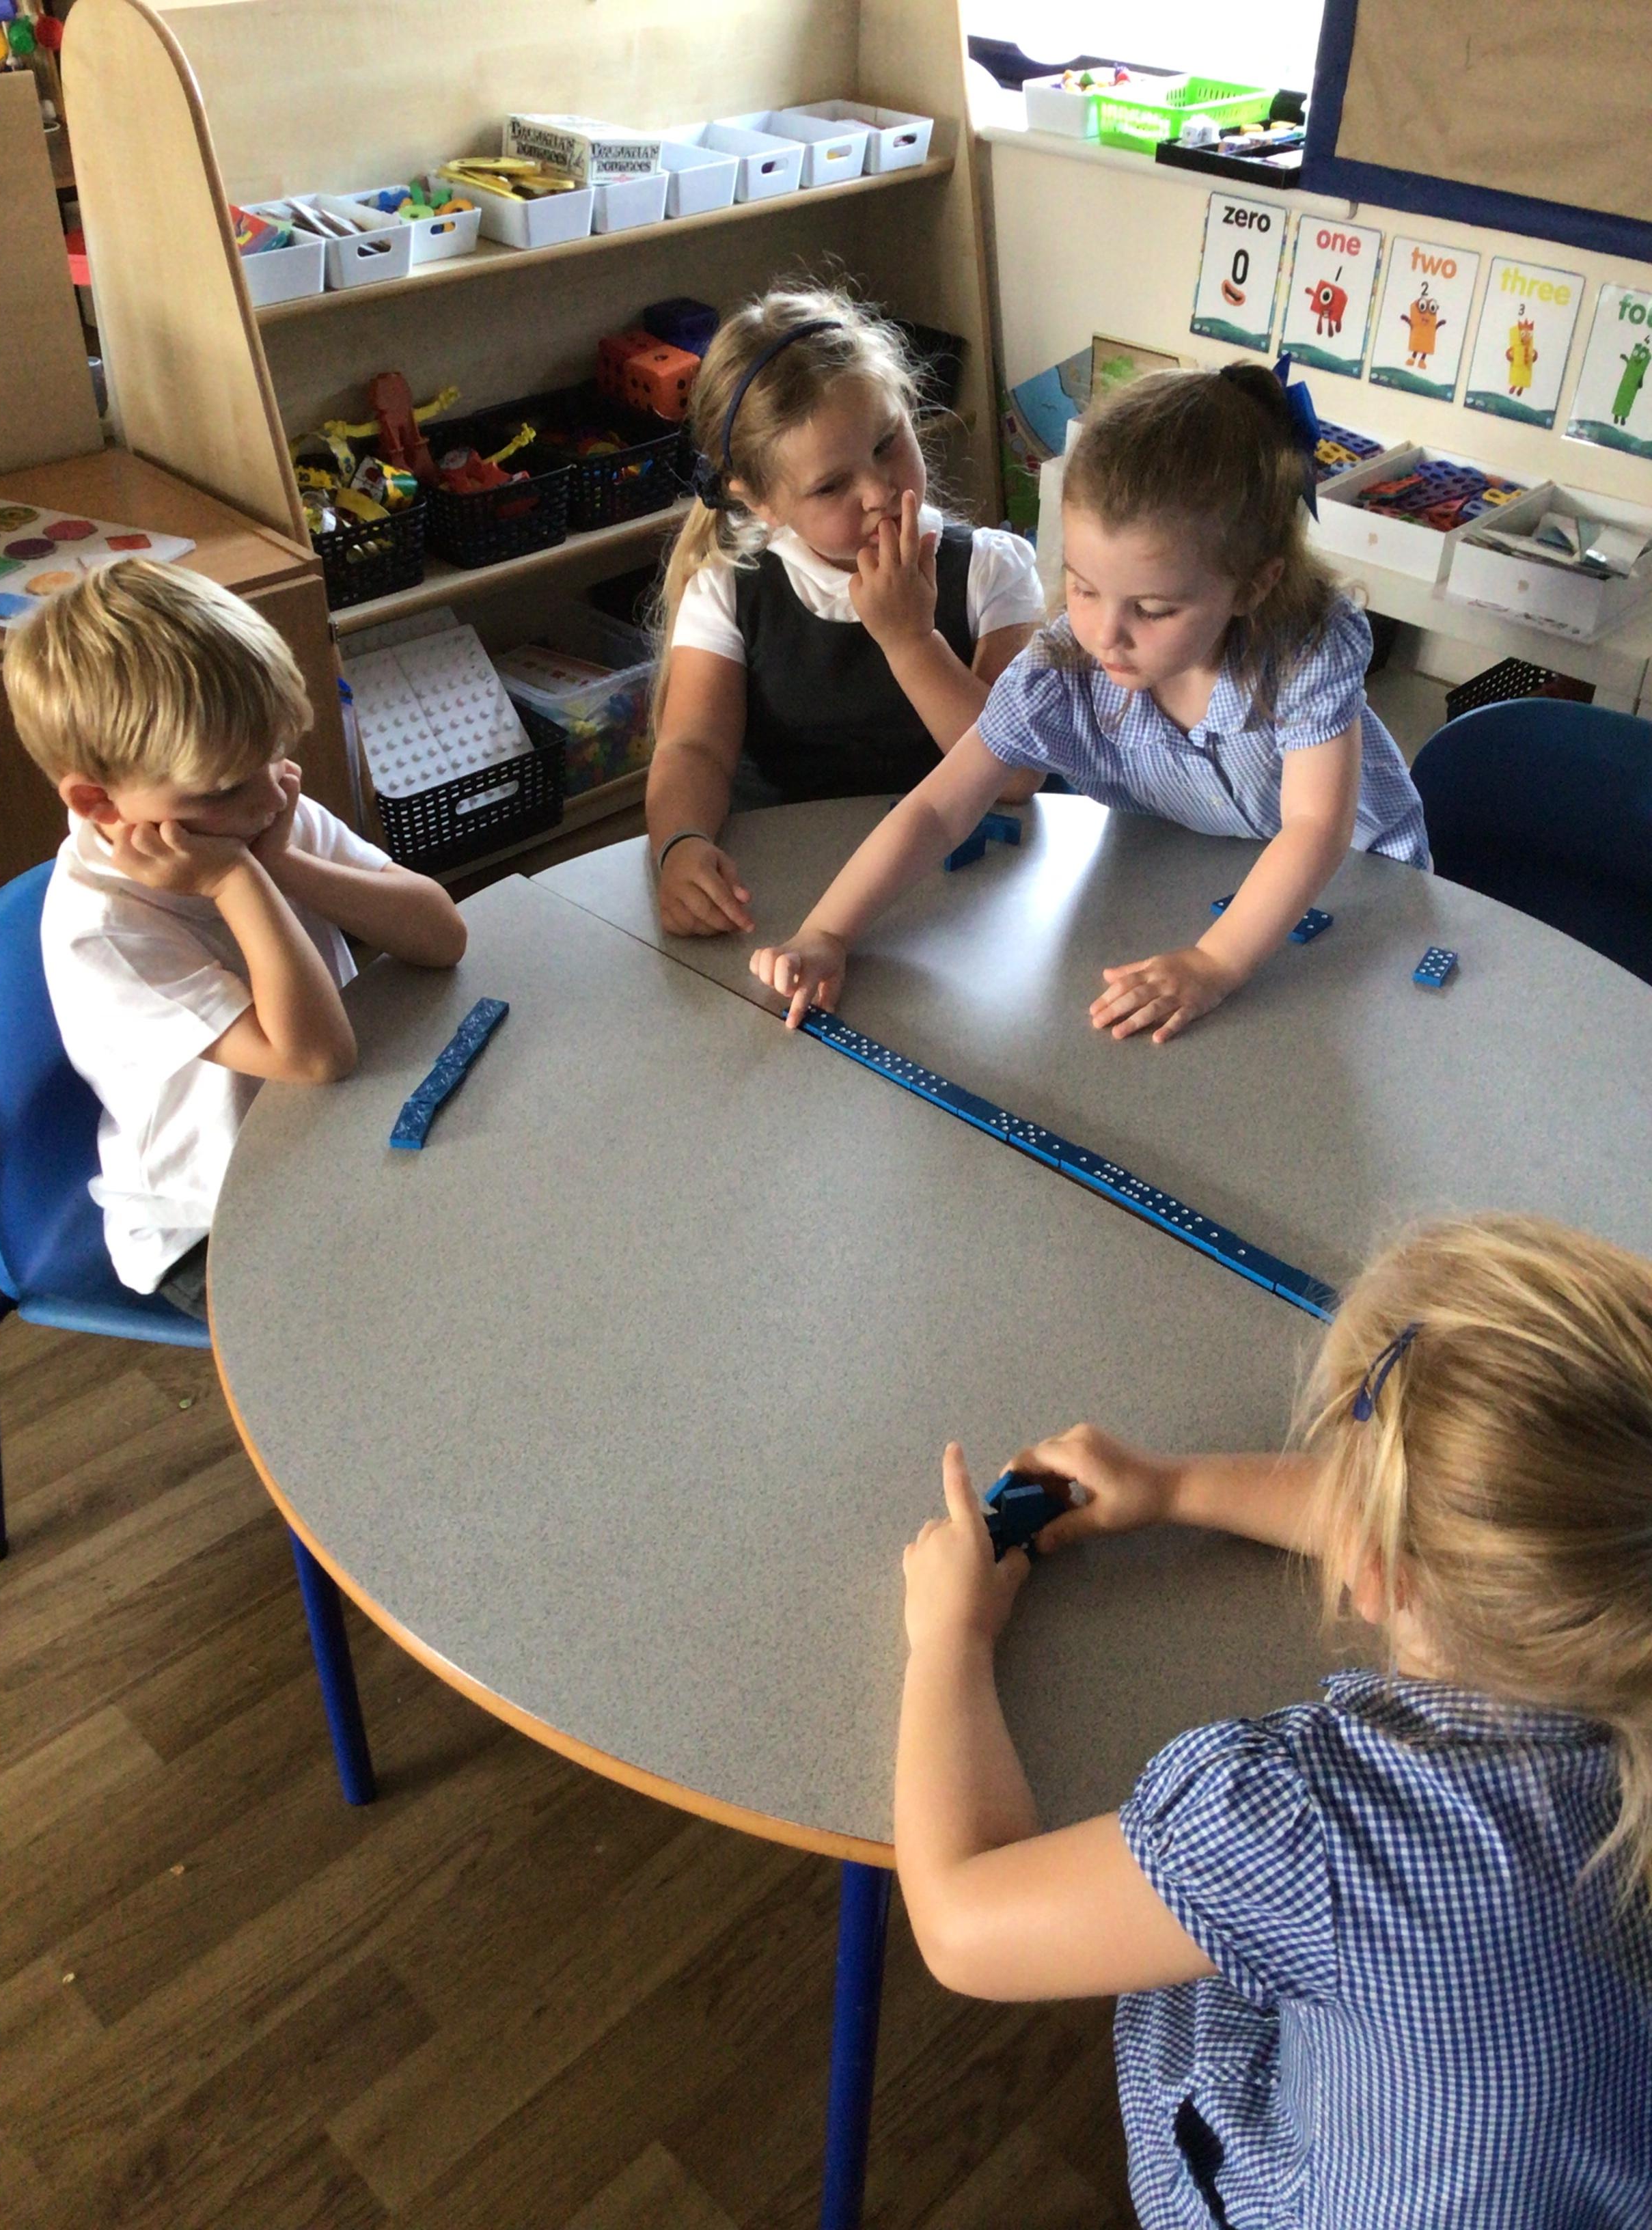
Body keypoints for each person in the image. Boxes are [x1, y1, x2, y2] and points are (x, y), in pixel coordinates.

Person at [895, 1213, 1652, 2227]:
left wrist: (950, 1637)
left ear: (1374, 1570)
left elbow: (962, 1923)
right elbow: (1468, 1533)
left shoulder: (1313, 1829)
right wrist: (1176, 1487)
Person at [752, 364, 1429, 1045]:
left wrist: (1215, 963)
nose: (1106, 634)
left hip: (1364, 891)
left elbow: (1316, 828)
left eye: (1154, 609)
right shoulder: (1062, 670)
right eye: (1082, 588)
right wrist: (827, 932)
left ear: (1255, 586)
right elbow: (936, 808)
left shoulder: (1305, 647)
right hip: (1194, 875)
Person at [3, 560, 466, 1317]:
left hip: (336, 1132)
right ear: (99, 802)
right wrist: (237, 881)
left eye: (273, 755)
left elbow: (441, 936)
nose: (271, 797)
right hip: (210, 1219)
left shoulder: (256, 808)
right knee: (397, 1320)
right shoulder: (105, 930)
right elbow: (314, 1057)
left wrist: (285, 863)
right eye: (223, 788)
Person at [646, 282, 1045, 938]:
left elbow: (1018, 774)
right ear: (761, 503)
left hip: (952, 900)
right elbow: (694, 748)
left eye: (887, 443)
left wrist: (911, 643)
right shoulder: (728, 589)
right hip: (777, 900)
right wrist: (681, 844)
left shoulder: (991, 569)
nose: (879, 492)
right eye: (831, 485)